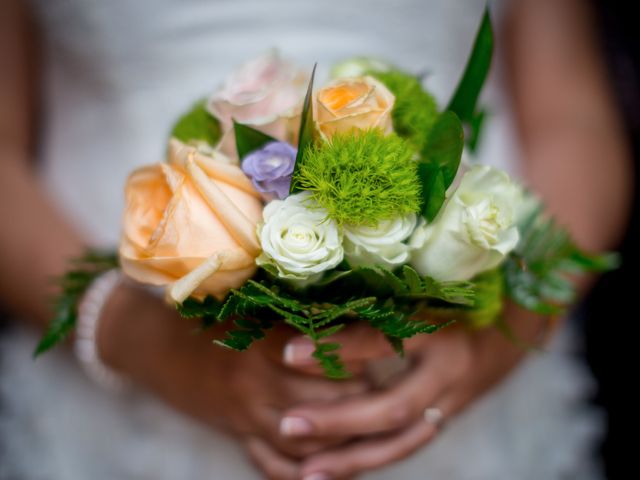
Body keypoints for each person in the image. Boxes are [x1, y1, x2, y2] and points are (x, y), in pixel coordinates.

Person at [0, 0, 631, 478]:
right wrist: (132, 336)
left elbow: (568, 114)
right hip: (117, 394)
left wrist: (503, 332)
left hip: (471, 386)